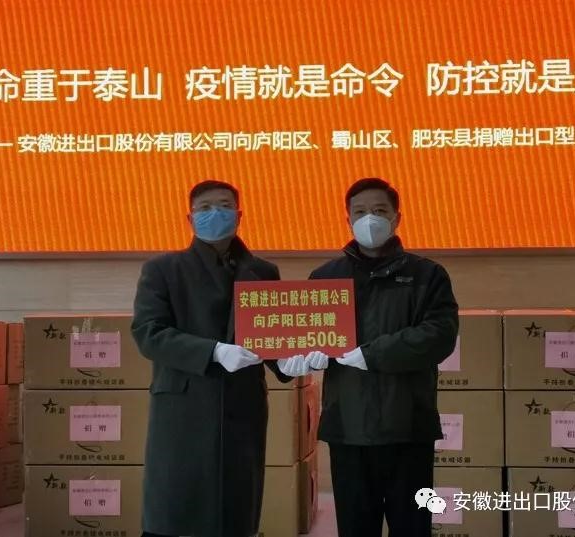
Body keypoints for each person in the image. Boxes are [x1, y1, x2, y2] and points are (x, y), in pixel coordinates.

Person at [131, 180, 310, 537]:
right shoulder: (163, 269)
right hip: (184, 407)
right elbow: (149, 333)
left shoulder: (263, 272)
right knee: (175, 510)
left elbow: (269, 335)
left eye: (225, 206)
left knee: (235, 509)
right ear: (190, 218)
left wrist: (288, 361)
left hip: (242, 404)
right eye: (205, 208)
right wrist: (213, 351)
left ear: (239, 215)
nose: (215, 213)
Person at [306, 177, 459, 537]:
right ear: (348, 219)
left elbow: (439, 335)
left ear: (396, 218)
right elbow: (309, 337)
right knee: (355, 529)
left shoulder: (427, 275)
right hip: (348, 428)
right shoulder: (325, 278)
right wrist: (297, 357)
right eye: (360, 212)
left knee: (413, 527)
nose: (369, 219)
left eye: (379, 210)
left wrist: (371, 354)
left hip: (408, 426)